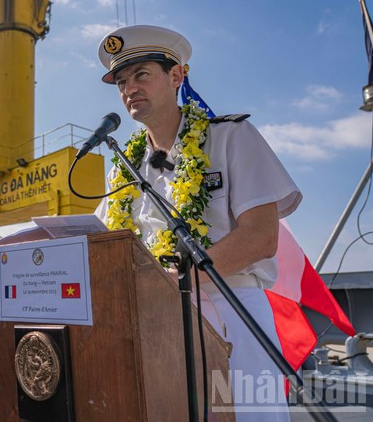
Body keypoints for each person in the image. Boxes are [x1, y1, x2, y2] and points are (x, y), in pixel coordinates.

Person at [94, 25, 301, 421]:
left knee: (248, 417)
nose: (129, 89)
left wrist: (175, 279)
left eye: (141, 75)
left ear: (176, 77)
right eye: (121, 81)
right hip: (160, 320)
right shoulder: (125, 168)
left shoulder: (231, 137)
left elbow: (260, 238)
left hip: (232, 313)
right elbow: (107, 243)